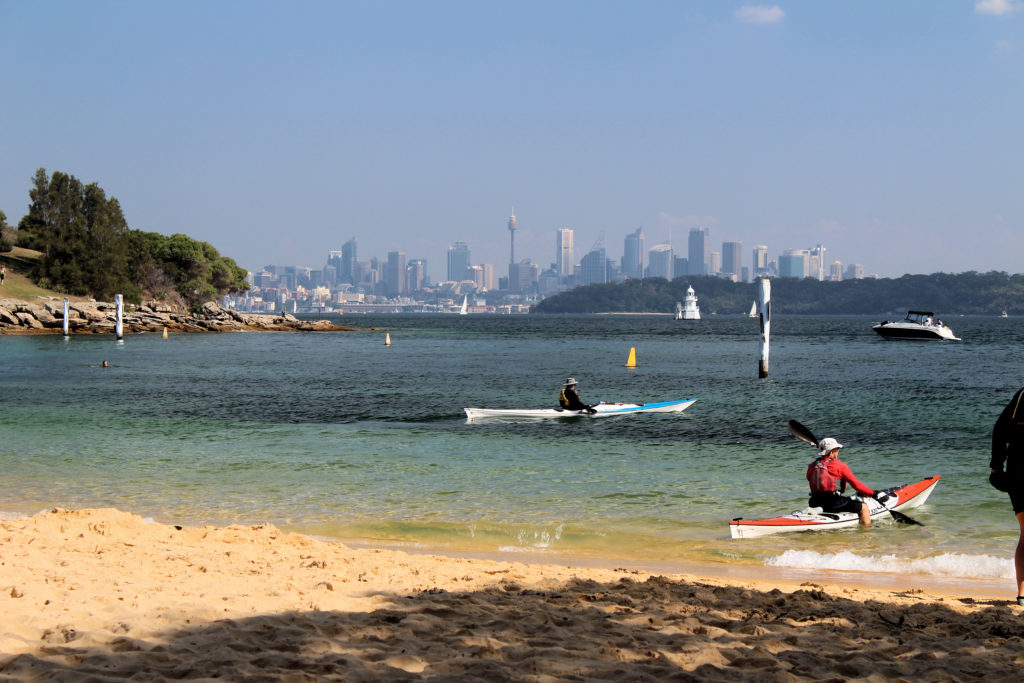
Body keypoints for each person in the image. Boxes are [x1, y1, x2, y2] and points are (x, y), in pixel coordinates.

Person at [990, 385, 1024, 606]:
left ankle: (1022, 593)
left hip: (1016, 470)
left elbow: (1000, 429)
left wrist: (996, 466)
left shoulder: (1021, 396)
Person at [807, 437, 878, 527]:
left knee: (845, 501)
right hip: (832, 503)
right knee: (864, 507)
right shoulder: (839, 465)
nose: (838, 452)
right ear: (832, 452)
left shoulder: (812, 465)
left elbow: (809, 479)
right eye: (837, 449)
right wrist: (872, 493)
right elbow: (857, 485)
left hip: (814, 502)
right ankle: (866, 534)